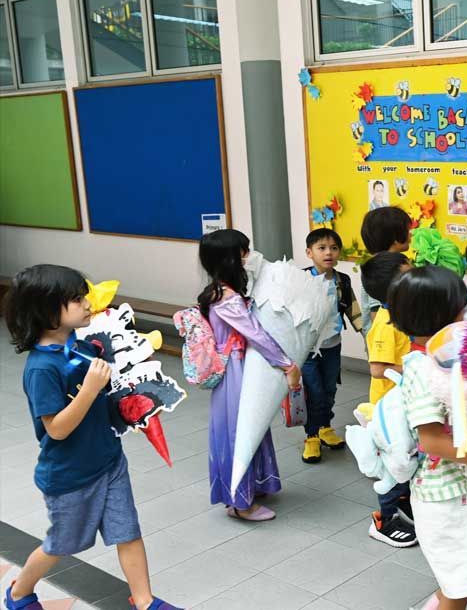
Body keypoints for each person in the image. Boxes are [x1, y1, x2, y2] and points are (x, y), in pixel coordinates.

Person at [3, 265, 181, 610]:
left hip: (109, 460)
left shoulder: (81, 344)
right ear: (48, 311)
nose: (88, 304)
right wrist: (89, 389)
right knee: (62, 544)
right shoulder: (42, 368)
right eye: (77, 299)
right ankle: (20, 591)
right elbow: (56, 428)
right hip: (70, 475)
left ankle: (144, 601)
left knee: (127, 531)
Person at [389, 266, 467, 610]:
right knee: (459, 589)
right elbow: (431, 442)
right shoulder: (424, 370)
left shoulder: (444, 361)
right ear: (441, 316)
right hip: (442, 495)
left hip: (463, 485)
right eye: (462, 308)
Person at [198, 230, 300, 521]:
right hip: (235, 370)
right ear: (230, 258)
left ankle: (251, 488)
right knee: (240, 430)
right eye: (243, 252)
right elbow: (256, 334)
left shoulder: (219, 291)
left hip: (236, 367)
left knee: (245, 426)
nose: (248, 256)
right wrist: (287, 364)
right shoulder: (227, 298)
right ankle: (241, 504)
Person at [359, 251, 416, 547]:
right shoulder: (385, 324)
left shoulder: (402, 316)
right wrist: (415, 364)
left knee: (407, 461)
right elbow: (377, 369)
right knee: (393, 469)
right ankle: (384, 520)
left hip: (404, 402)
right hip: (387, 410)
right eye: (408, 274)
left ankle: (405, 507)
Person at [301, 228, 354, 463]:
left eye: (333, 248)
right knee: (314, 390)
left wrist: (367, 333)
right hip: (307, 349)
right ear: (309, 252)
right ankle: (311, 436)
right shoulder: (302, 279)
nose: (328, 253)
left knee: (330, 388)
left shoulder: (343, 279)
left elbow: (352, 308)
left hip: (333, 345)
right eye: (322, 248)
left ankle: (325, 427)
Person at [358, 206, 412, 337]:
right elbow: (376, 312)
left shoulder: (396, 263)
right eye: (407, 230)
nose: (411, 234)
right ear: (395, 238)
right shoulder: (380, 270)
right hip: (385, 341)